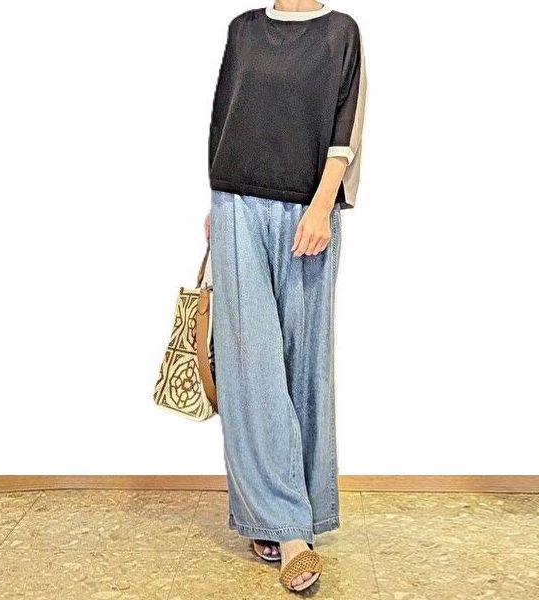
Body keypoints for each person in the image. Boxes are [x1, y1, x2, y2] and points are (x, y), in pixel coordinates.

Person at [203, 0, 366, 592]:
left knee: (303, 365)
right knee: (250, 369)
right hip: (236, 205)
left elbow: (345, 129)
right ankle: (282, 525)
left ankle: (299, 513)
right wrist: (215, 205)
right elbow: (225, 118)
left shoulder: (340, 32)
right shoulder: (243, 29)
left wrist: (323, 206)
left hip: (307, 208)